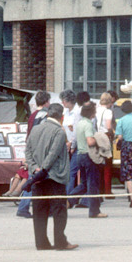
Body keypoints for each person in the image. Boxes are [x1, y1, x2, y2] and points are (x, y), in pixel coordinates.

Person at [25, 101, 76, 251]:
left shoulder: (35, 129)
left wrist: (35, 169)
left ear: (47, 115)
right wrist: (43, 169)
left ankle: (41, 242)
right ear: (62, 117)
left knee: (39, 210)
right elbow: (53, 154)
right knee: (59, 210)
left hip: (37, 177)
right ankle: (60, 242)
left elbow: (27, 151)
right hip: (54, 176)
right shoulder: (59, 131)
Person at [70, 102, 108, 218]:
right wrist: (100, 140)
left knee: (85, 184)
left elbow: (76, 138)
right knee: (93, 184)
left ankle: (68, 199)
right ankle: (94, 211)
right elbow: (90, 141)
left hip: (80, 155)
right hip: (89, 155)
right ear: (91, 113)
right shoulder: (88, 124)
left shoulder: (80, 123)